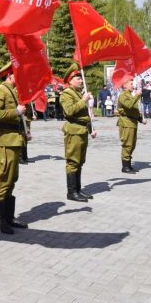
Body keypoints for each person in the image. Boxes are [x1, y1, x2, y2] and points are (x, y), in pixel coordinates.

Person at [0, 62, 29, 234]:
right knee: (3, 179)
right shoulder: (0, 90)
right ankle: (0, 221)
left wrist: (24, 131)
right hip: (5, 141)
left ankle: (9, 217)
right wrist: (16, 112)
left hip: (14, 139)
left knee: (12, 179)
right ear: (10, 75)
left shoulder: (14, 91)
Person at [60, 63, 96, 202]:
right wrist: (83, 100)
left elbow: (85, 114)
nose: (81, 81)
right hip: (73, 131)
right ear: (70, 80)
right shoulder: (66, 94)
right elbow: (69, 111)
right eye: (78, 78)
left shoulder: (78, 93)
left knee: (80, 161)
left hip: (82, 131)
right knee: (73, 162)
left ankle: (78, 190)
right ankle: (71, 192)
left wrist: (91, 129)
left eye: (81, 78)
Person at [117, 76, 146, 173]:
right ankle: (125, 167)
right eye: (131, 84)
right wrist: (137, 95)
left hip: (132, 122)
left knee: (132, 145)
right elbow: (129, 106)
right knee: (127, 144)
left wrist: (141, 119)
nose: (133, 85)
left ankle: (128, 164)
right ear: (124, 86)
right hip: (126, 123)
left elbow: (134, 111)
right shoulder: (123, 95)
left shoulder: (130, 95)